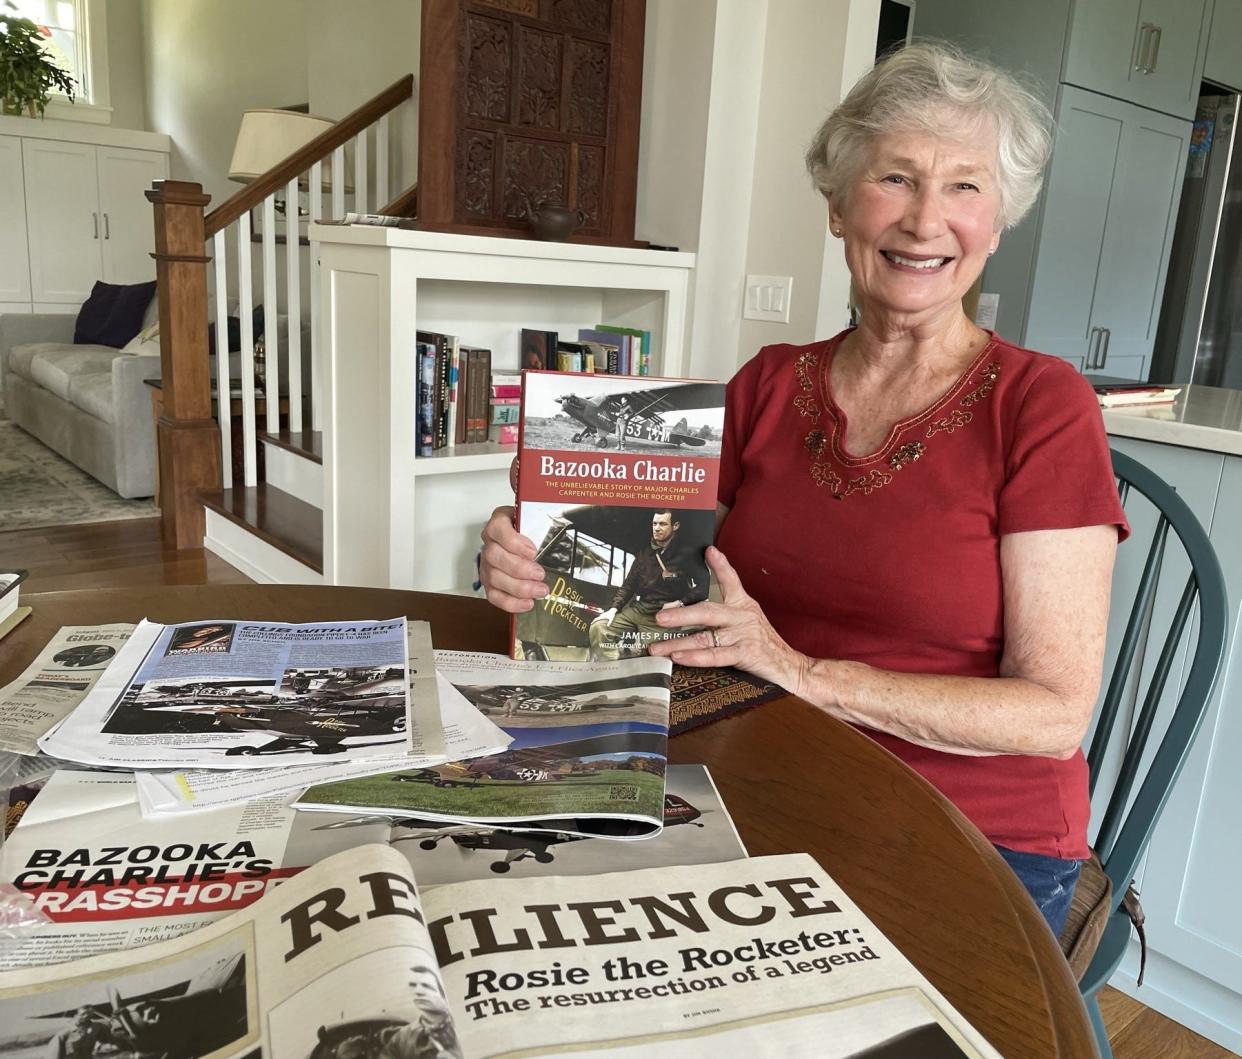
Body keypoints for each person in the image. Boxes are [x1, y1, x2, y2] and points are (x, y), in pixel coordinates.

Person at [479, 42, 1129, 937]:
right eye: (896, 177)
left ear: (1000, 219)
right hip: (752, 769)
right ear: (838, 205)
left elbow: (1052, 715)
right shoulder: (774, 382)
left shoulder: (1041, 403)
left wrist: (797, 669)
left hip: (971, 826)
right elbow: (618, 538)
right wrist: (538, 552)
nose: (926, 219)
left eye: (966, 186)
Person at [582, 510, 708, 660]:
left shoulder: (688, 554)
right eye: (654, 524)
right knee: (599, 627)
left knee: (653, 653)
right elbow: (628, 585)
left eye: (662, 524)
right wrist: (613, 609)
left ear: (675, 526)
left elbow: (703, 587)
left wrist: (680, 603)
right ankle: (609, 669)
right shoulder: (643, 554)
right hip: (640, 608)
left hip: (665, 613)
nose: (657, 528)